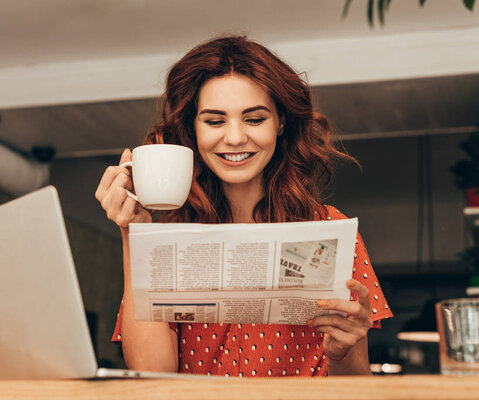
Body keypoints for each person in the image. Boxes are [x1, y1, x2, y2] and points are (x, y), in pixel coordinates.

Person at [95, 35, 392, 377]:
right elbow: (153, 374)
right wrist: (134, 233)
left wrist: (343, 353)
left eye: (254, 119)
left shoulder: (330, 229)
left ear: (280, 122)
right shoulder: (166, 237)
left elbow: (357, 391)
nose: (235, 137)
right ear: (193, 128)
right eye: (215, 120)